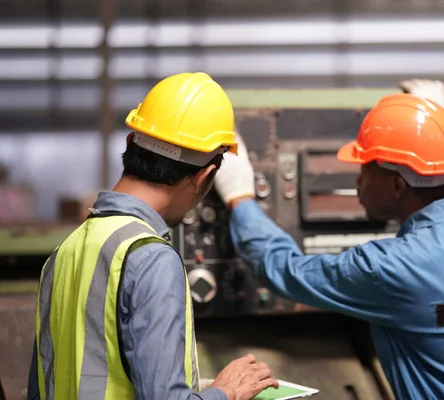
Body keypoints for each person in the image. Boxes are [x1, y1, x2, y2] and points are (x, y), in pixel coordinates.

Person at [213, 79, 444, 399]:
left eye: (364, 169)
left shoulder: (393, 267)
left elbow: (284, 270)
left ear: (397, 185)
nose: (358, 182)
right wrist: (442, 142)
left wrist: (239, 198)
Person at [27, 72, 278, 400]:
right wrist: (225, 393)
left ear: (131, 143)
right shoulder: (151, 258)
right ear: (205, 178)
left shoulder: (64, 252)